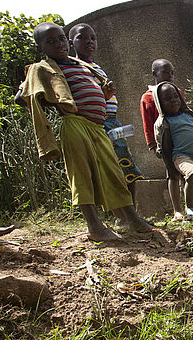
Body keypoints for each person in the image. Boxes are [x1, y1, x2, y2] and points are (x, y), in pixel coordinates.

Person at [18, 22, 154, 241]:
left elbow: (87, 90)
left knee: (115, 172)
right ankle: (94, 226)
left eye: (61, 38)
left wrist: (103, 92)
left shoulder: (81, 65)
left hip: (98, 127)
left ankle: (131, 218)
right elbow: (23, 97)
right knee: (81, 175)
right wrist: (45, 98)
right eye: (50, 41)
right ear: (40, 47)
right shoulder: (44, 68)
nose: (59, 44)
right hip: (74, 124)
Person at [68, 23, 144, 203]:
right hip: (96, 124)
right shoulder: (73, 67)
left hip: (112, 122)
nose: (89, 41)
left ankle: (131, 210)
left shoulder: (96, 66)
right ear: (71, 43)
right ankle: (118, 213)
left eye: (93, 38)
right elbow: (85, 96)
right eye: (82, 38)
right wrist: (103, 95)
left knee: (125, 164)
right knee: (105, 167)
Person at [153, 81, 193, 223]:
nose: (174, 101)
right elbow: (162, 144)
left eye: (176, 97)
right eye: (168, 99)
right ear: (160, 103)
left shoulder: (189, 115)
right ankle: (190, 209)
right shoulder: (163, 122)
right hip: (181, 156)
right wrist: (160, 152)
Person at [140, 59, 184, 220]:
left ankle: (191, 206)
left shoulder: (176, 92)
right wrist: (152, 144)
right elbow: (147, 122)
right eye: (166, 72)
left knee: (189, 173)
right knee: (172, 174)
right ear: (154, 74)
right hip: (165, 140)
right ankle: (177, 210)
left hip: (182, 137)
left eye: (172, 73)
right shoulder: (148, 97)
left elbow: (185, 112)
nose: (170, 76)